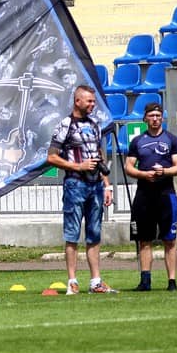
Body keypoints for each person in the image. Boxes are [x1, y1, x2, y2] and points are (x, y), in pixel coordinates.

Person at [46, 85, 117, 295]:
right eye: (89, 101)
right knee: (72, 234)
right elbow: (51, 157)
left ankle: (96, 281)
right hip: (75, 184)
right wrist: (78, 166)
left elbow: (99, 156)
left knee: (94, 234)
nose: (93, 105)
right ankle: (72, 281)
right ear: (78, 101)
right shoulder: (65, 125)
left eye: (94, 101)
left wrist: (107, 185)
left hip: (96, 186)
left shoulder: (95, 125)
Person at [124, 102, 177, 292]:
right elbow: (128, 167)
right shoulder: (137, 141)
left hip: (166, 195)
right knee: (144, 240)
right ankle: (145, 281)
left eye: (158, 116)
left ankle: (172, 282)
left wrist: (164, 172)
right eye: (151, 116)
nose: (155, 119)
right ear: (145, 118)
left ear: (162, 118)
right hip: (144, 196)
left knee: (170, 240)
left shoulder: (172, 140)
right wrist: (144, 174)